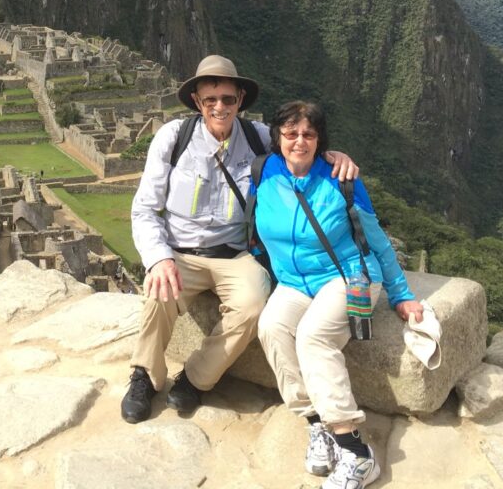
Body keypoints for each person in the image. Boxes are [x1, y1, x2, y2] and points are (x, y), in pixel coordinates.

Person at [121, 56, 359, 424]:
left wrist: (334, 157)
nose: (220, 107)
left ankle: (196, 379)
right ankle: (145, 377)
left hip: (234, 254)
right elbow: (145, 210)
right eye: (211, 99)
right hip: (180, 252)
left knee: (252, 307)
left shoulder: (258, 138)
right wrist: (159, 258)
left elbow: (299, 149)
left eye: (228, 99)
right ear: (198, 102)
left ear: (240, 100)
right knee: (159, 292)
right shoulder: (173, 138)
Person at [253, 101, 423, 488]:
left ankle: (355, 451)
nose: (299, 141)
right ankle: (317, 423)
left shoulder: (341, 179)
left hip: (347, 276)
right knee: (271, 328)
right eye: (291, 133)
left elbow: (376, 241)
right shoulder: (263, 172)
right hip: (295, 281)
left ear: (320, 141)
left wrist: (401, 295)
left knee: (314, 338)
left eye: (309, 135)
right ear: (277, 137)